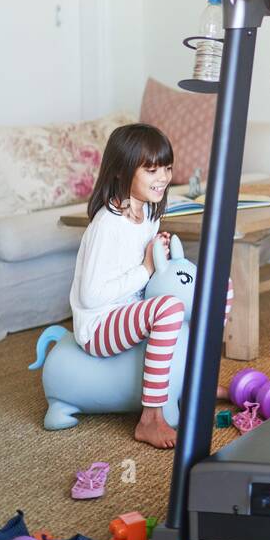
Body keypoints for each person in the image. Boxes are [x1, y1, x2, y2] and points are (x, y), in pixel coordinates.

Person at [70, 123, 233, 448]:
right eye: (151, 169)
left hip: (134, 311)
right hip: (100, 324)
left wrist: (159, 254)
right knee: (170, 307)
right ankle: (151, 416)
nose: (162, 177)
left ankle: (197, 375)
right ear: (121, 172)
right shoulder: (108, 225)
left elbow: (147, 272)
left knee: (220, 286)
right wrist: (146, 267)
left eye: (167, 168)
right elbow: (91, 297)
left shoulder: (148, 214)